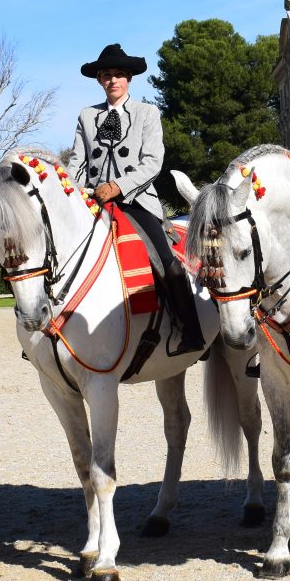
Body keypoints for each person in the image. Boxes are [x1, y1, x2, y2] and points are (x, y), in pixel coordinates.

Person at [68, 44, 205, 355]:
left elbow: (153, 162)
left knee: (167, 262)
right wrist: (73, 193)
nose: (112, 80)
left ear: (128, 78)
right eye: (106, 75)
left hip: (136, 201)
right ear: (99, 80)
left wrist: (117, 186)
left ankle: (191, 330)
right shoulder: (87, 116)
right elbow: (76, 162)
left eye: (118, 74)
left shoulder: (147, 112)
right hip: (92, 201)